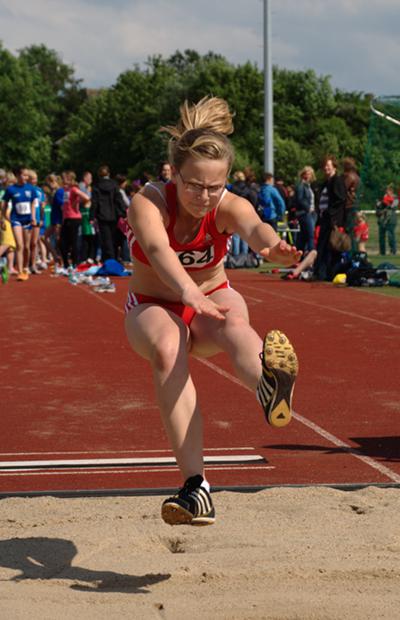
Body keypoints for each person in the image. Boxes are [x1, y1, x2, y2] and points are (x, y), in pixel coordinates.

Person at [124, 97, 301, 526]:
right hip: (153, 306)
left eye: (214, 187)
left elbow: (254, 226)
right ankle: (196, 488)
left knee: (235, 320)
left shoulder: (228, 205)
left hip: (210, 298)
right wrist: (187, 292)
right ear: (175, 174)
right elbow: (156, 250)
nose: (204, 197)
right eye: (194, 186)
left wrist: (272, 247)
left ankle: (270, 383)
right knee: (169, 348)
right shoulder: (148, 203)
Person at [0, 167, 37, 281]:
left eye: (27, 175)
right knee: (19, 245)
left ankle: (26, 267)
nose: (26, 177)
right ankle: (20, 271)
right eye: (24, 175)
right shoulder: (11, 189)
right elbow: (4, 205)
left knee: (27, 247)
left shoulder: (31, 188)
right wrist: (4, 218)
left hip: (27, 220)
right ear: (17, 176)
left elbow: (32, 204)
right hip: (16, 219)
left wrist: (33, 217)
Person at [314, 155, 346, 281]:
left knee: (331, 247)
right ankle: (322, 272)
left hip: (332, 220)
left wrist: (331, 215)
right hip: (325, 219)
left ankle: (327, 273)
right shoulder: (327, 182)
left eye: (328, 165)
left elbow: (340, 199)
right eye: (325, 166)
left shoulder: (337, 181)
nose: (326, 168)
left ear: (334, 167)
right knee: (323, 246)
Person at [91, 165, 125, 261]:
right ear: (109, 174)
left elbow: (94, 202)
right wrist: (123, 213)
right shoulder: (114, 185)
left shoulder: (96, 186)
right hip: (114, 215)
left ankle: (109, 259)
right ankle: (114, 258)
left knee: (106, 239)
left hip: (102, 215)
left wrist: (91, 216)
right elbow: (119, 199)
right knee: (114, 238)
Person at [59, 171, 91, 269]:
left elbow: (86, 197)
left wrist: (77, 203)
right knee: (62, 243)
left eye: (64, 178)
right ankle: (66, 264)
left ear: (69, 179)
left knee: (73, 242)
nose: (62, 179)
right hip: (66, 218)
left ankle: (75, 263)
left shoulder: (73, 189)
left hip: (74, 218)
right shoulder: (65, 189)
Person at [294, 166, 317, 252]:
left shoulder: (308, 186)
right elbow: (300, 200)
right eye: (306, 173)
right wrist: (308, 208)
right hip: (304, 213)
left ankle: (299, 256)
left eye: (310, 173)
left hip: (310, 213)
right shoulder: (301, 186)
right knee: (310, 235)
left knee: (303, 236)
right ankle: (311, 255)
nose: (308, 175)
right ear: (303, 174)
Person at [376, 185, 398, 255]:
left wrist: (386, 202)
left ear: (392, 191)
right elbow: (378, 209)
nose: (387, 192)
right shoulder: (381, 199)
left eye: (389, 190)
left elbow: (393, 206)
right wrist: (380, 206)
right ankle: (382, 252)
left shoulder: (396, 199)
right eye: (387, 190)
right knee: (381, 237)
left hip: (391, 220)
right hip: (382, 220)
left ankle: (393, 251)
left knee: (391, 236)